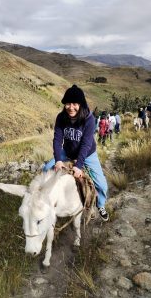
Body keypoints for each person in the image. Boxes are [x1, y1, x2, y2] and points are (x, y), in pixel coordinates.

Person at [43, 85, 109, 221]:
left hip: (88, 154)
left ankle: (101, 204)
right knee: (45, 169)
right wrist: (58, 160)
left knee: (102, 185)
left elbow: (86, 144)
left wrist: (79, 165)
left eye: (74, 103)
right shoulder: (61, 117)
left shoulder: (89, 119)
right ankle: (45, 202)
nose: (70, 107)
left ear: (81, 104)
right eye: (67, 103)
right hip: (67, 152)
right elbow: (57, 139)